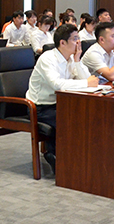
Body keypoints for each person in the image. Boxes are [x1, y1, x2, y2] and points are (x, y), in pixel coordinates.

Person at [26, 24, 99, 170]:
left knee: (88, 116)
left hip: (60, 104)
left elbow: (88, 81)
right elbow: (57, 85)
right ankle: (58, 157)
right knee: (73, 120)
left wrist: (77, 60)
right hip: (40, 108)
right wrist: (86, 83)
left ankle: (72, 157)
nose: (78, 42)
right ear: (62, 42)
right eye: (75, 39)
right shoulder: (48, 58)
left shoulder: (70, 58)